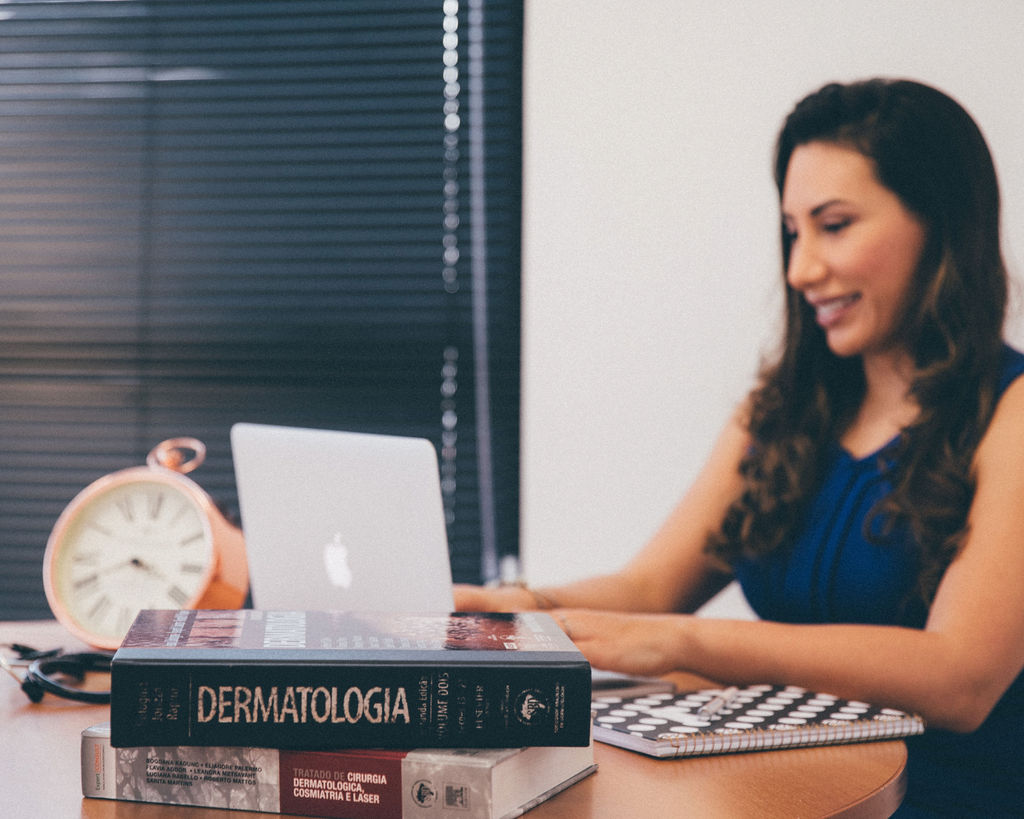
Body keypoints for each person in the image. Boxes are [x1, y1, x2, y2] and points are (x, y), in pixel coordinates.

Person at [454, 78, 1024, 817]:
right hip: (782, 796)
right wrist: (526, 607)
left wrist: (683, 642)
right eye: (793, 230)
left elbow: (960, 678)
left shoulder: (1010, 409)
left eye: (835, 224)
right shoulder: (784, 408)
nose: (801, 269)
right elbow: (651, 591)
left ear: (942, 225)